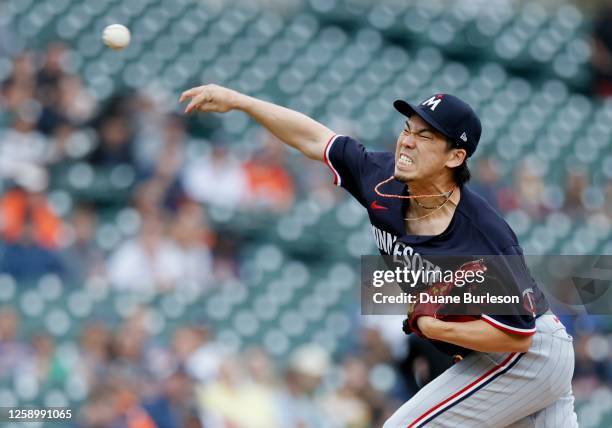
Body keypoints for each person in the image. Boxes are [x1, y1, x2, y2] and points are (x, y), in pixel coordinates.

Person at [179, 84, 578, 427]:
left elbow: (517, 336)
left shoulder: (480, 235)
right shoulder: (382, 177)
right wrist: (241, 101)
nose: (407, 140)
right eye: (409, 128)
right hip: (517, 354)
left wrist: (437, 329)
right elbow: (316, 140)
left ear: (455, 157)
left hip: (527, 353)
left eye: (426, 136)